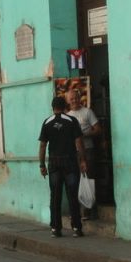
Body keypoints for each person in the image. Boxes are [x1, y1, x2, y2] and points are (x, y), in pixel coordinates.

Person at [38, 95, 87, 238]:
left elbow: (42, 145)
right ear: (65, 107)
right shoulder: (72, 121)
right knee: (72, 195)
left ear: (52, 107)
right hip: (70, 162)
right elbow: (78, 142)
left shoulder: (47, 122)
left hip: (53, 163)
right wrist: (82, 160)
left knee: (55, 196)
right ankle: (77, 228)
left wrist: (42, 165)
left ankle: (55, 228)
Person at [65, 88, 102, 219]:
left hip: (88, 150)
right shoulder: (68, 116)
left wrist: (85, 134)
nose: (74, 100)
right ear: (67, 101)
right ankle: (78, 211)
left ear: (79, 98)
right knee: (75, 180)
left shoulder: (87, 112)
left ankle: (89, 210)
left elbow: (98, 129)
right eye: (71, 99)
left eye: (75, 98)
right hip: (73, 152)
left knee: (88, 178)